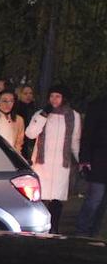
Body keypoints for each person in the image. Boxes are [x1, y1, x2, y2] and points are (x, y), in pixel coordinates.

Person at [25, 85, 82, 233]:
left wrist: (81, 160)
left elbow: (74, 141)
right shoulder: (41, 113)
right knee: (40, 198)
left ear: (64, 98)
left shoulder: (73, 115)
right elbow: (30, 134)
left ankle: (54, 229)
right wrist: (43, 116)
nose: (54, 99)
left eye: (57, 96)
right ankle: (38, 228)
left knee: (56, 200)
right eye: (52, 96)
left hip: (60, 165)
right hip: (41, 163)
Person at [75, 93, 107, 237]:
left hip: (98, 158)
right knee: (95, 198)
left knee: (102, 202)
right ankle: (83, 230)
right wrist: (85, 159)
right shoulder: (97, 105)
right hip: (98, 159)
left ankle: (93, 231)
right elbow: (87, 134)